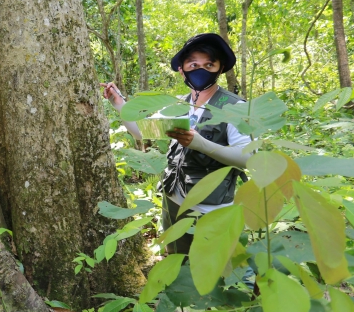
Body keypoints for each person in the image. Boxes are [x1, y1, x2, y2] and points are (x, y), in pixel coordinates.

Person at [101, 33, 252, 254]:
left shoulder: (234, 106)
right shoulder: (178, 105)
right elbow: (141, 131)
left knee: (211, 272)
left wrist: (201, 144)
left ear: (220, 69)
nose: (201, 69)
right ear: (182, 70)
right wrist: (118, 103)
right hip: (173, 202)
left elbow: (247, 158)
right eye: (193, 64)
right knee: (176, 265)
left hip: (211, 208)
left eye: (209, 64)